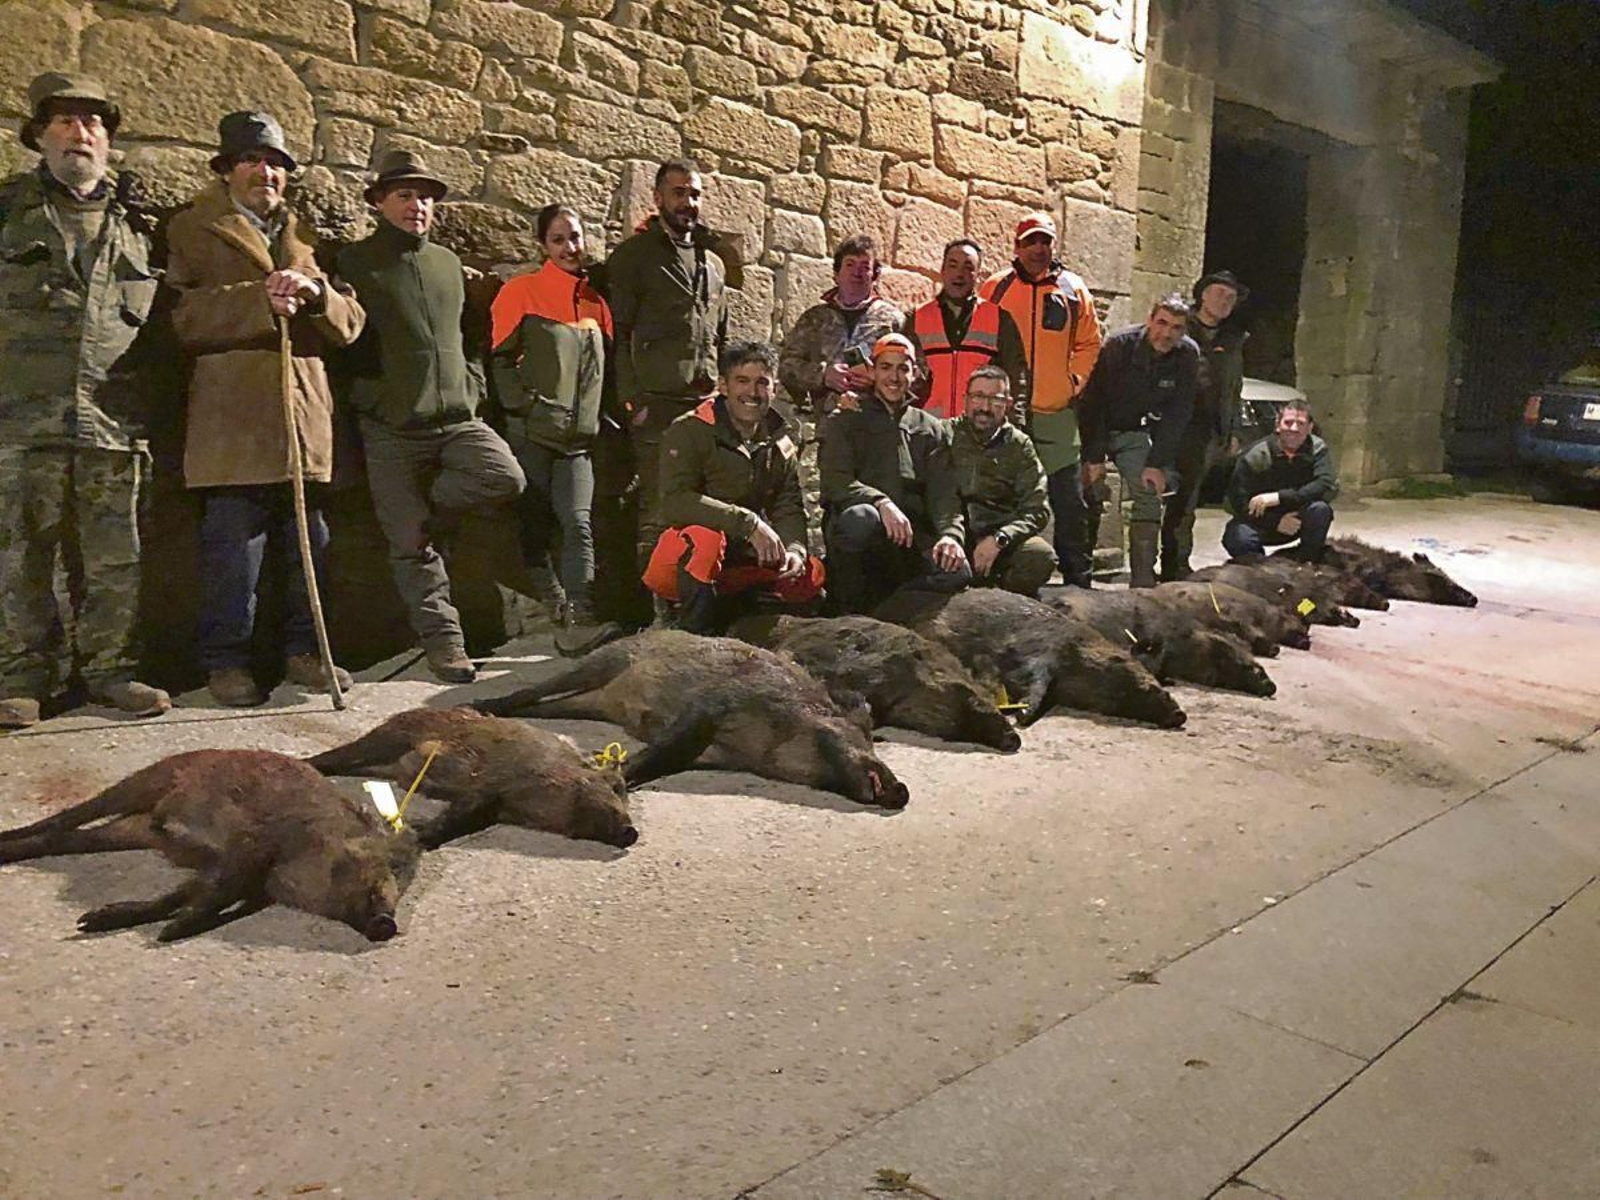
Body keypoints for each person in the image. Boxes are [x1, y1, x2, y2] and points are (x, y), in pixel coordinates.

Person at [165, 111, 364, 706]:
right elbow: (178, 317)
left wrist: (318, 295)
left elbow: (351, 325)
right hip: (234, 420)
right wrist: (260, 299)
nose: (267, 172)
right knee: (233, 548)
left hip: (302, 416)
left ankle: (307, 652)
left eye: (276, 163)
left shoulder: (306, 240)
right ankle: (226, 662)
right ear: (227, 170)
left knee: (309, 543)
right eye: (253, 160)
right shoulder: (192, 230)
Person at [0, 72, 169, 728]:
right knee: (19, 555)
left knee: (115, 556)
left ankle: (110, 672)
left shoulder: (140, 226)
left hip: (113, 420)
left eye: (94, 123)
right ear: (39, 135)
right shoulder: (9, 211)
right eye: (66, 121)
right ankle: (20, 677)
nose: (81, 133)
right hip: (19, 416)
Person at [335, 149, 525, 684]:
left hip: (456, 421)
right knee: (410, 546)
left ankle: (429, 508)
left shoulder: (445, 264)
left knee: (504, 477)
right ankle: (445, 645)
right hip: (390, 428)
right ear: (379, 203)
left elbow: (466, 337)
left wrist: (472, 385)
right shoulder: (355, 262)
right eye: (404, 196)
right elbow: (341, 344)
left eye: (425, 197)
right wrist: (372, 400)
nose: (418, 206)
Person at [489, 202, 624, 657]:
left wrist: (607, 415)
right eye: (559, 239)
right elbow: (500, 361)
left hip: (579, 442)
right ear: (543, 245)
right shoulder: (521, 292)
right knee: (535, 527)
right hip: (533, 434)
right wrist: (526, 407)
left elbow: (605, 370)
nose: (571, 247)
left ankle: (579, 619)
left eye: (576, 237)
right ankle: (554, 605)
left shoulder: (596, 303)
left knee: (579, 523)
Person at [603, 158, 729, 575]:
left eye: (694, 194)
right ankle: (654, 613)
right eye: (679, 193)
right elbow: (617, 335)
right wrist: (631, 401)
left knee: (707, 504)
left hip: (704, 405)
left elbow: (720, 334)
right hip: (656, 406)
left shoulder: (713, 264)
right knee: (658, 509)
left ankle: (692, 600)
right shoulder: (633, 258)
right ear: (658, 198)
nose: (688, 202)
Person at [643, 341, 822, 633]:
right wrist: (748, 523)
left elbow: (787, 503)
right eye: (742, 381)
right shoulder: (689, 430)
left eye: (762, 383)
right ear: (723, 386)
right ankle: (687, 632)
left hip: (740, 555)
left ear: (773, 389)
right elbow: (675, 502)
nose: (752, 393)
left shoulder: (780, 437)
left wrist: (795, 549)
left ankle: (745, 618)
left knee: (811, 575)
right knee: (706, 541)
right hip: (683, 557)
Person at [979, 212, 1102, 586]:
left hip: (1056, 413)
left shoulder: (1073, 289)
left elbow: (1089, 343)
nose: (1038, 248)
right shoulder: (995, 288)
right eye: (1031, 241)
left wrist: (1073, 381)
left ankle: (1078, 580)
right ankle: (1002, 576)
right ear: (1017, 246)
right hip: (1006, 415)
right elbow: (980, 339)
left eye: (1045, 241)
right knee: (1003, 497)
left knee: (1069, 502)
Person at [820, 334, 970, 613]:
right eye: (886, 367)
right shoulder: (847, 420)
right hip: (870, 533)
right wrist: (881, 502)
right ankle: (848, 609)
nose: (894, 376)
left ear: (914, 374)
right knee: (859, 519)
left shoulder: (930, 428)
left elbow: (944, 495)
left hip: (911, 537)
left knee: (957, 572)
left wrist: (950, 536)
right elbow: (836, 481)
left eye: (903, 368)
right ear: (873, 371)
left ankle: (892, 608)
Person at [778, 234, 905, 546]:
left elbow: (916, 373)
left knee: (878, 508)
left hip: (880, 433)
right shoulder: (814, 319)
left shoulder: (894, 320)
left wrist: (878, 379)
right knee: (833, 505)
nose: (858, 272)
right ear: (837, 273)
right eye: (850, 264)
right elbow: (786, 366)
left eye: (866, 266)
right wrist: (823, 375)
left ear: (875, 275)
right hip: (830, 431)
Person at [1077, 293, 1198, 588]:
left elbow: (1178, 413)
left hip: (1134, 431)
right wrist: (1094, 458)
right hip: (1098, 427)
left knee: (1147, 493)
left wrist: (1157, 464)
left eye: (1176, 328)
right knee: (1088, 492)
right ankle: (1078, 576)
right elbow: (1094, 401)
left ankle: (1143, 582)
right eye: (1162, 323)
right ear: (1149, 320)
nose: (1166, 333)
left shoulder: (1187, 355)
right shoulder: (1120, 345)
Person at [1162, 269, 1249, 581]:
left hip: (1209, 433)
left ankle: (1177, 563)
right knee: (1176, 503)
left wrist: (1233, 430)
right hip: (1178, 426)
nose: (1224, 300)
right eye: (1219, 293)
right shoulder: (1181, 329)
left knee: (1188, 500)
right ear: (1202, 295)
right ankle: (1173, 567)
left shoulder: (1233, 339)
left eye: (1230, 297)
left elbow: (1233, 388)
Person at [948, 367, 1057, 597]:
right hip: (954, 537)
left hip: (1000, 542)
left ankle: (1004, 602)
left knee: (1039, 556)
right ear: (966, 400)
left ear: (1007, 403)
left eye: (995, 400)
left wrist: (1000, 539)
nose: (984, 408)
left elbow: (1037, 509)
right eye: (978, 397)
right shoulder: (943, 434)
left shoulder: (1019, 445)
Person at [904, 238, 1027, 420]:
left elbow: (1018, 379)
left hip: (978, 432)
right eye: (953, 266)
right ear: (942, 271)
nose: (959, 274)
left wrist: (1016, 424)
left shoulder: (1000, 319)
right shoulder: (916, 319)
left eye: (968, 267)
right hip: (928, 432)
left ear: (978, 275)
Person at [1223, 401, 1338, 561]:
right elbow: (1237, 501)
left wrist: (1278, 497)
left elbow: (1325, 484)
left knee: (1320, 510)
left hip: (1297, 519)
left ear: (1310, 428)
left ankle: (1306, 563)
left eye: (1301, 424)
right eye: (1288, 423)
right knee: (1237, 537)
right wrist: (1275, 522)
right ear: (1278, 425)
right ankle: (1259, 571)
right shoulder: (1256, 454)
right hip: (1262, 521)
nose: (1294, 429)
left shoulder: (1317, 449)